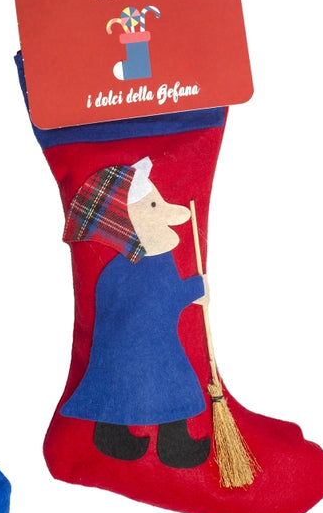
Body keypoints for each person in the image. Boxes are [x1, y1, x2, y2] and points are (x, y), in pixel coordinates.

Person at [61, 157, 211, 468]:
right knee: (173, 385)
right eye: (154, 205)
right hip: (145, 347)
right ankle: (173, 448)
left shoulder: (152, 257)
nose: (166, 212)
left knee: (128, 388)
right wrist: (195, 288)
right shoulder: (141, 263)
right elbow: (163, 301)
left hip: (140, 345)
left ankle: (116, 438)